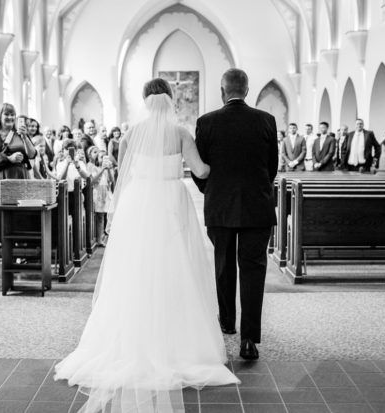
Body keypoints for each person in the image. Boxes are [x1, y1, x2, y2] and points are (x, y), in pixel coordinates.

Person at [54, 78, 239, 412]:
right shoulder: (181, 132)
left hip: (137, 204)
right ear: (170, 100)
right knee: (175, 267)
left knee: (134, 270)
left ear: (144, 101)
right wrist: (224, 160)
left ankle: (130, 339)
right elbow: (201, 169)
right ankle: (177, 341)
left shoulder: (130, 134)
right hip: (170, 202)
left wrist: (117, 214)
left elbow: (123, 175)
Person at [192, 68, 278, 361]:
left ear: (222, 90)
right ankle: (249, 340)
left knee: (224, 264)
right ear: (247, 90)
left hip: (220, 206)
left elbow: (199, 168)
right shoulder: (266, 121)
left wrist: (211, 190)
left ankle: (227, 322)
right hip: (257, 206)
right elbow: (272, 167)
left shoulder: (206, 122)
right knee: (254, 270)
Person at [0, 103, 36, 195]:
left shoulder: (20, 133)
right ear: (0, 115)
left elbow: (32, 155)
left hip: (20, 175)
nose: (10, 117)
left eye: (12, 114)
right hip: (0, 177)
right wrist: (8, 159)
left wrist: (25, 137)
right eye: (6, 114)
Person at [86, 147, 114, 246]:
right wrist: (102, 169)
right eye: (101, 157)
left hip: (104, 193)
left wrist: (109, 169)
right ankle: (94, 238)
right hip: (96, 193)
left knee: (102, 217)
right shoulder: (93, 167)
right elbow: (94, 181)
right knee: (96, 216)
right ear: (97, 158)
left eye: (105, 157)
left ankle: (100, 238)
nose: (102, 159)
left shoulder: (106, 168)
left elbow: (111, 180)